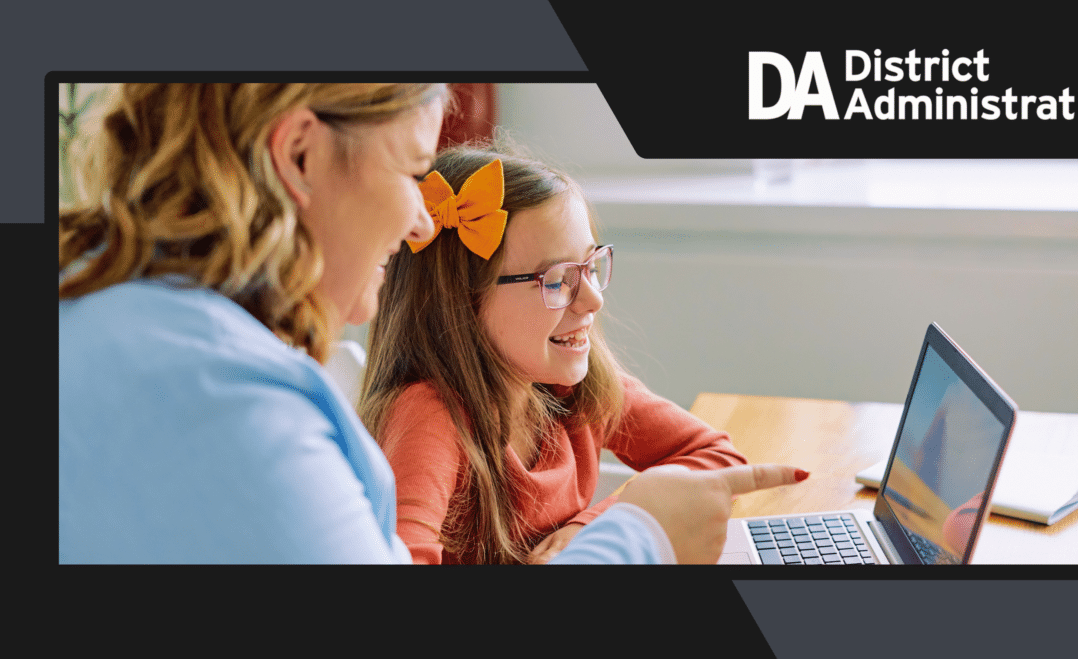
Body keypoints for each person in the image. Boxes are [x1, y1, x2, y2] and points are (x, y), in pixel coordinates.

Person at [58, 83, 804, 564]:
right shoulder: (228, 402)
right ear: (301, 153)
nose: (422, 220)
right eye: (413, 170)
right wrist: (631, 537)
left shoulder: (116, 315)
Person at [358, 143, 767, 565]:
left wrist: (595, 527)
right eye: (557, 281)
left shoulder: (576, 386)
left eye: (590, 268)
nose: (593, 301)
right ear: (461, 300)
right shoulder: (429, 417)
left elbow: (717, 459)